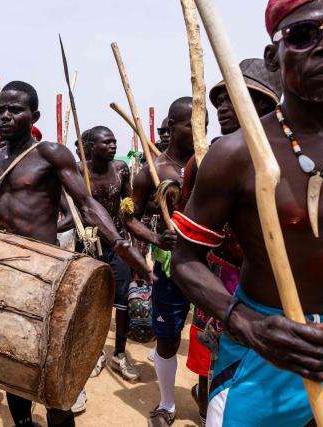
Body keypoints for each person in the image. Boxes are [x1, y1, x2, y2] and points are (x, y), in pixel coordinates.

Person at [0, 80, 155, 427]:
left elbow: (86, 204)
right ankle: (23, 422)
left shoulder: (51, 154)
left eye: (15, 109)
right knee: (12, 354)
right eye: (1, 109)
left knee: (53, 362)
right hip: (1, 269)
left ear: (34, 115)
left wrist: (120, 244)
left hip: (44, 271)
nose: (6, 116)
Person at [172, 0, 323, 424]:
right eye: (304, 36)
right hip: (266, 357)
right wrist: (249, 326)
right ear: (274, 56)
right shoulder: (236, 155)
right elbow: (184, 260)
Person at [181, 58, 281, 426]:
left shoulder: (294, 160)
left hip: (285, 293)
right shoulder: (209, 161)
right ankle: (209, 399)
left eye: (233, 98)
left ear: (269, 106)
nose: (221, 105)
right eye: (218, 98)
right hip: (223, 282)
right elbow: (187, 244)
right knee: (215, 359)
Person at [78, 126, 176, 384]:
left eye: (114, 142)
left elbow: (128, 209)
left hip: (119, 245)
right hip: (89, 246)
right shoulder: (79, 171)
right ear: (90, 146)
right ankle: (95, 353)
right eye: (106, 142)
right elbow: (75, 208)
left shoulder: (121, 169)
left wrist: (138, 244)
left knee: (123, 301)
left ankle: (119, 354)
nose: (112, 146)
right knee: (92, 302)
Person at [129, 97, 201, 427]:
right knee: (169, 337)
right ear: (172, 126)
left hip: (210, 264)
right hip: (170, 266)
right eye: (191, 123)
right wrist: (157, 239)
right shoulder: (153, 171)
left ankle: (208, 394)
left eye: (204, 123)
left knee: (210, 337)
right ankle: (168, 403)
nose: (199, 129)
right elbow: (129, 217)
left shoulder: (212, 162)